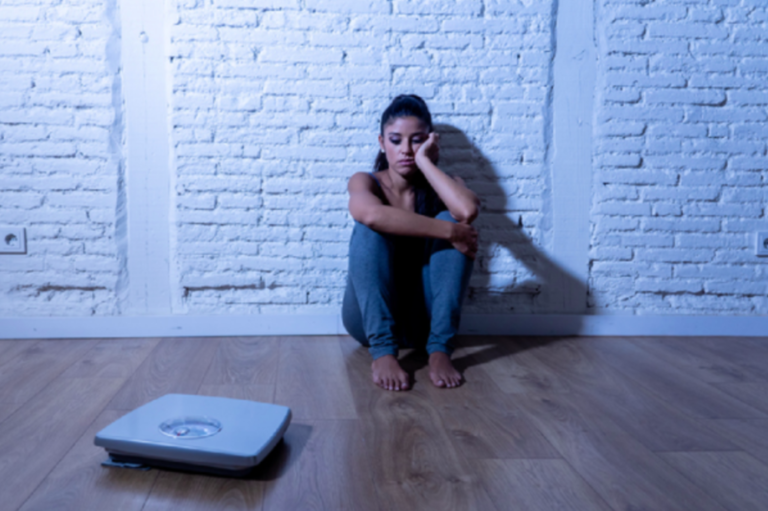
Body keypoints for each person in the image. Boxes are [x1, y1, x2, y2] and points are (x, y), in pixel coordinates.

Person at [342, 94, 480, 391]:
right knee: (369, 227)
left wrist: (425, 163)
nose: (405, 150)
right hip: (369, 321)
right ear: (382, 142)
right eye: (395, 140)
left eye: (416, 141)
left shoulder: (444, 181)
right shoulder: (365, 181)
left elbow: (467, 211)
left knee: (455, 218)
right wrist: (448, 232)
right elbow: (368, 213)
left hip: (426, 320)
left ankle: (440, 350)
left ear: (430, 142)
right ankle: (383, 352)